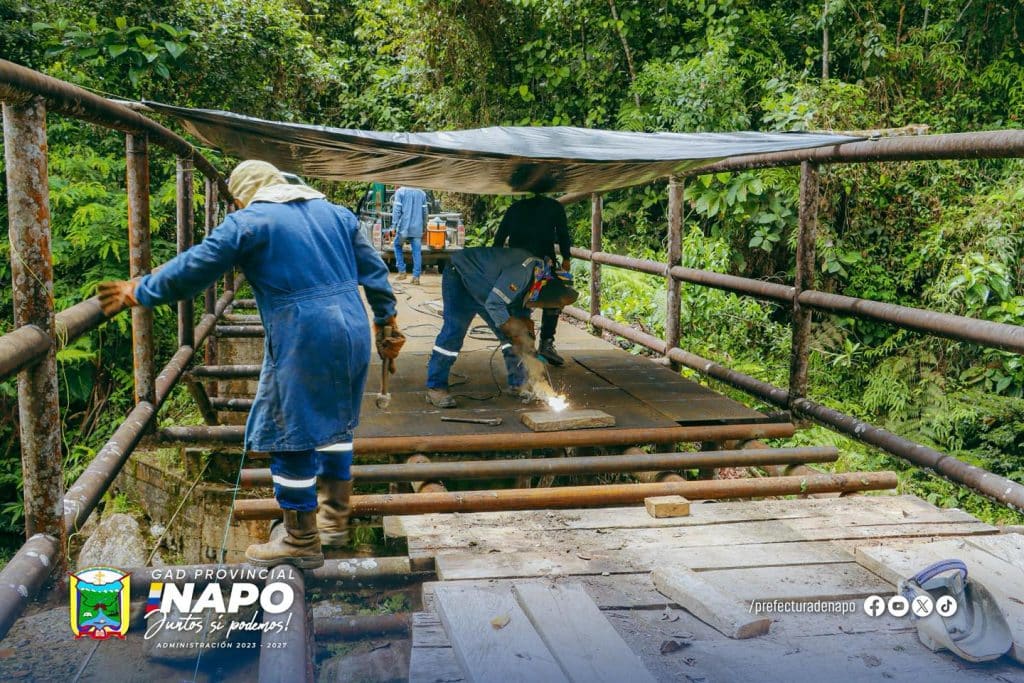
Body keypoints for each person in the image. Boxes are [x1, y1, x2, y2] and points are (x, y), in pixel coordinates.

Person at [98, 160, 405, 569]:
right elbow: (374, 271)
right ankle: (333, 521)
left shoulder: (249, 222)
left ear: (244, 195)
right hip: (351, 326)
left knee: (288, 427)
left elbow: (195, 269)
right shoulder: (337, 214)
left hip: (303, 332)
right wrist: (386, 320)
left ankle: (300, 537)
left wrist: (141, 290)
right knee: (335, 421)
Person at [425, 247, 578, 408]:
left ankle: (519, 384)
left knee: (514, 335)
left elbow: (521, 318)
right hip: (461, 277)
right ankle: (436, 386)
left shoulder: (537, 279)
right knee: (454, 331)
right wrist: (513, 329)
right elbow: (495, 305)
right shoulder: (522, 274)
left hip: (488, 288)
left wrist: (528, 342)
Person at [492, 193, 571, 366]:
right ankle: (546, 343)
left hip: (517, 263)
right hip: (543, 263)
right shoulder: (554, 207)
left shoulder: (515, 208)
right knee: (553, 298)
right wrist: (566, 257)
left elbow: (499, 238)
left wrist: (496, 262)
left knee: (519, 302)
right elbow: (563, 234)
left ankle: (522, 345)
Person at [391, 185, 428, 284]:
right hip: (417, 228)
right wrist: (424, 226)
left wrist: (393, 226)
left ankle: (402, 271)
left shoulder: (400, 192)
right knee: (417, 252)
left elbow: (397, 210)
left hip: (404, 227)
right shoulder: (422, 193)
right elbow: (425, 212)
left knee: (397, 245)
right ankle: (416, 277)